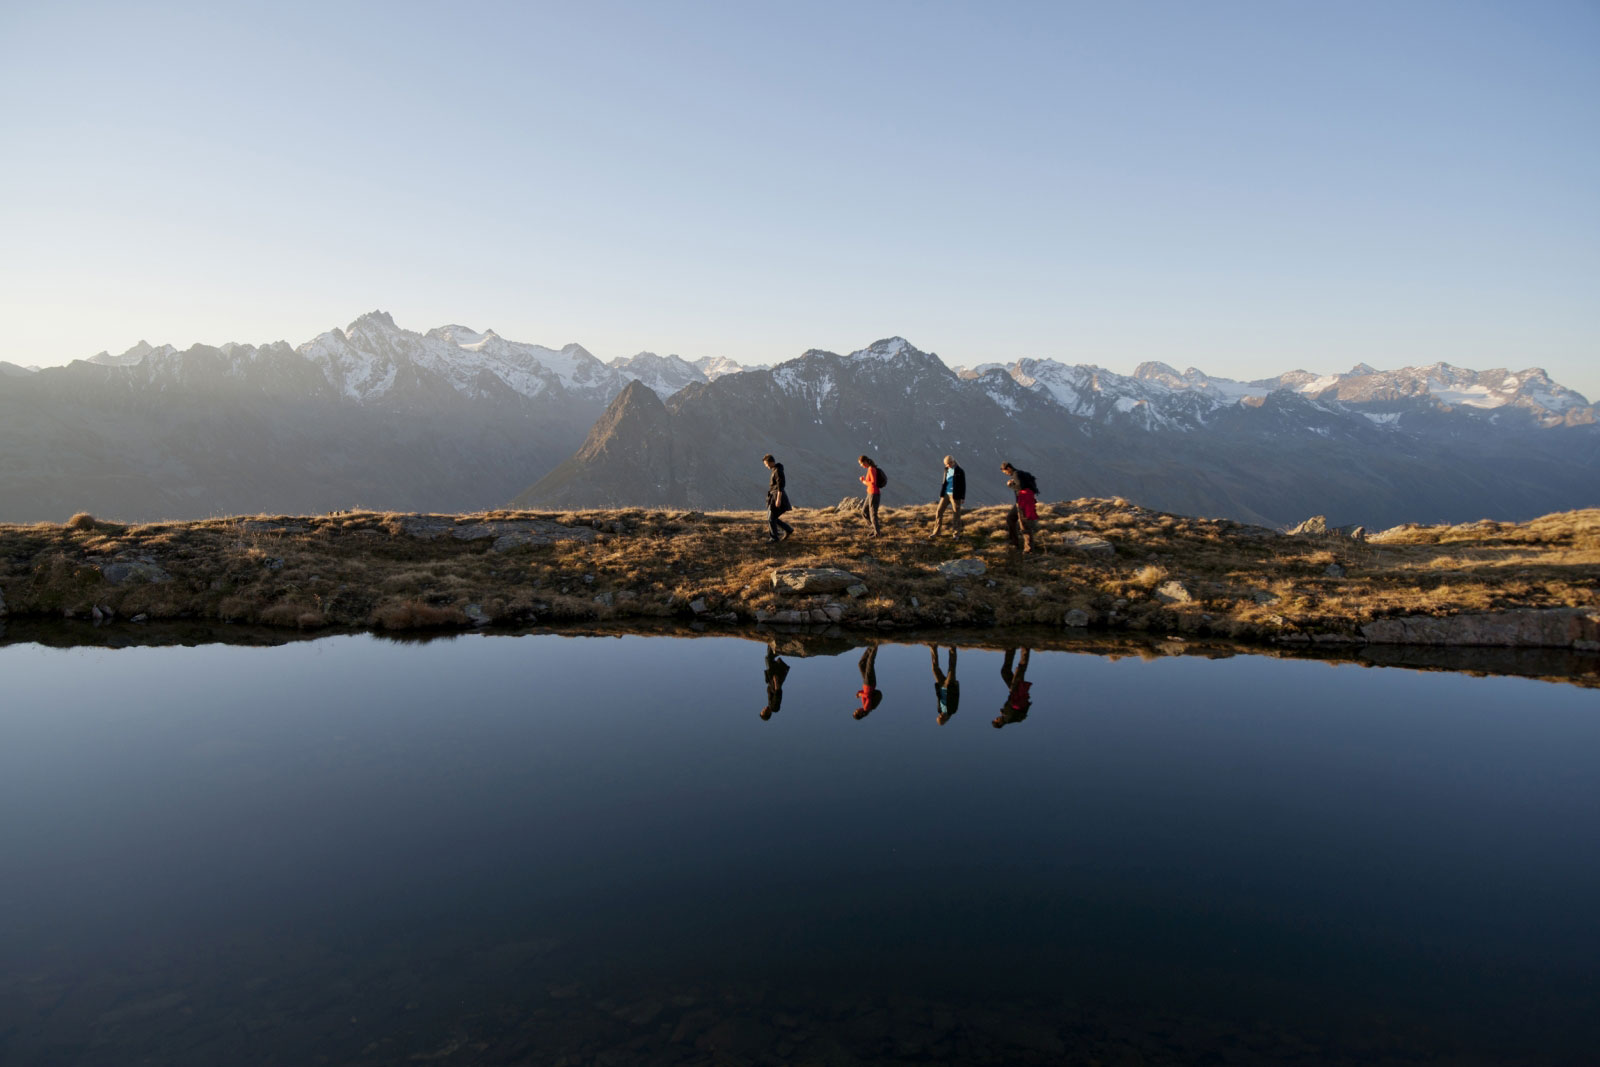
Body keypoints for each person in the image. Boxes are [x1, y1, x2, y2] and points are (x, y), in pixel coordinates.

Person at [1000, 461, 1039, 552]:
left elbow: (1020, 487)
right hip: (1021, 501)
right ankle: (1014, 542)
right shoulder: (1020, 474)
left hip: (1023, 502)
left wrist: (1010, 485)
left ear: (1008, 468)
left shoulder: (1016, 474)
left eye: (1005, 472)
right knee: (1010, 518)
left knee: (1024, 525)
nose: (1006, 474)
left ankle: (1028, 549)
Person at [992, 647, 1032, 728]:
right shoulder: (1008, 718)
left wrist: (1003, 711)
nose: (996, 718)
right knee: (1020, 669)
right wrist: (1004, 711)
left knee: (1005, 671)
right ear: (999, 723)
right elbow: (1013, 706)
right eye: (996, 720)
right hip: (1016, 693)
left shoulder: (1007, 718)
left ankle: (1011, 648)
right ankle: (1025, 648)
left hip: (1014, 692)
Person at [931, 455, 965, 537]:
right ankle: (936, 532)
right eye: (946, 464)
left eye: (948, 464)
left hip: (955, 495)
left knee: (956, 514)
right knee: (939, 512)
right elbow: (945, 482)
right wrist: (942, 493)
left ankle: (956, 534)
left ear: (952, 462)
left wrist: (962, 497)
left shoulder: (960, 471)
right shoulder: (946, 470)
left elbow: (963, 485)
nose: (947, 466)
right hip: (946, 494)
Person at [762, 453, 794, 542]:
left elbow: (781, 486)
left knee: (771, 517)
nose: (766, 466)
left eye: (766, 464)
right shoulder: (775, 469)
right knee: (771, 517)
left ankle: (774, 538)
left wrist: (778, 500)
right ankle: (787, 529)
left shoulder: (778, 471)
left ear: (771, 462)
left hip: (778, 496)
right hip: (774, 496)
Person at [930, 644, 959, 725]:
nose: (940, 716)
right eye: (941, 718)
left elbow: (938, 697)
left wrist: (938, 688)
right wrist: (955, 685)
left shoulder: (939, 709)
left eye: (939, 717)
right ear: (945, 719)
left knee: (934, 669)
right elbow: (956, 697)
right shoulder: (952, 710)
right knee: (951, 668)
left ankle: (933, 647)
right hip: (950, 686)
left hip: (941, 686)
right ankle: (952, 648)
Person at [760, 642, 790, 720]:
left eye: (762, 710)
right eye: (764, 711)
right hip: (775, 679)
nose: (764, 709)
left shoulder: (770, 704)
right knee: (768, 658)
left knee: (769, 658)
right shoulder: (774, 707)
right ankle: (775, 644)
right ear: (768, 713)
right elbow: (778, 694)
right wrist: (776, 681)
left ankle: (772, 643)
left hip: (771, 679)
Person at [853, 644, 883, 719]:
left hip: (866, 684)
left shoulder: (865, 706)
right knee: (870, 663)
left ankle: (870, 646)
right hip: (869, 684)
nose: (856, 709)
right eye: (856, 712)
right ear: (860, 714)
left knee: (861, 664)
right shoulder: (867, 708)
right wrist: (860, 695)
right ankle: (875, 645)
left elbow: (865, 693)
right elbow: (868, 696)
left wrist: (859, 692)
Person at [857, 455, 884, 537]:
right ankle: (875, 530)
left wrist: (863, 481)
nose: (861, 466)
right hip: (870, 494)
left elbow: (873, 483)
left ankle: (877, 534)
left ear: (865, 462)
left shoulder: (871, 469)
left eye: (861, 464)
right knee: (864, 512)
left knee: (872, 514)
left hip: (874, 494)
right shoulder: (870, 469)